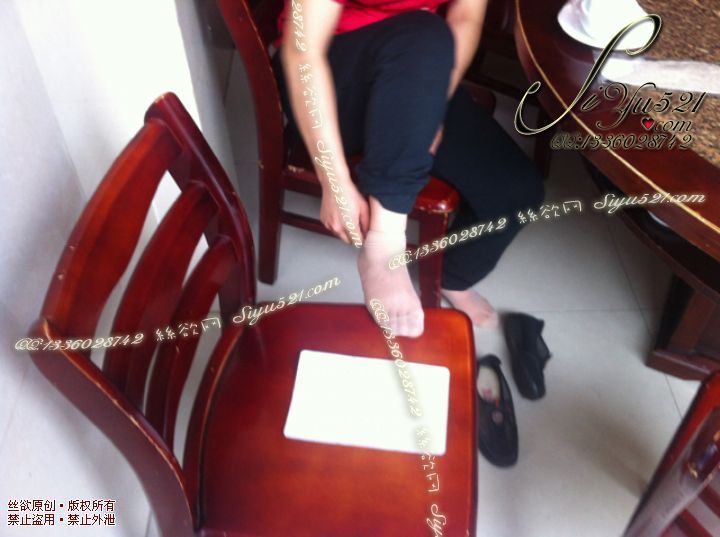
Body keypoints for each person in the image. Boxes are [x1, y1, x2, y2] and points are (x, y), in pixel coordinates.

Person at [274, 0, 544, 337]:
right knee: (424, 31)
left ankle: (453, 277)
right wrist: (334, 180)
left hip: (418, 65)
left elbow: (466, 18)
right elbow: (303, 53)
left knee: (517, 192)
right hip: (332, 74)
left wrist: (431, 108)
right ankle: (385, 246)